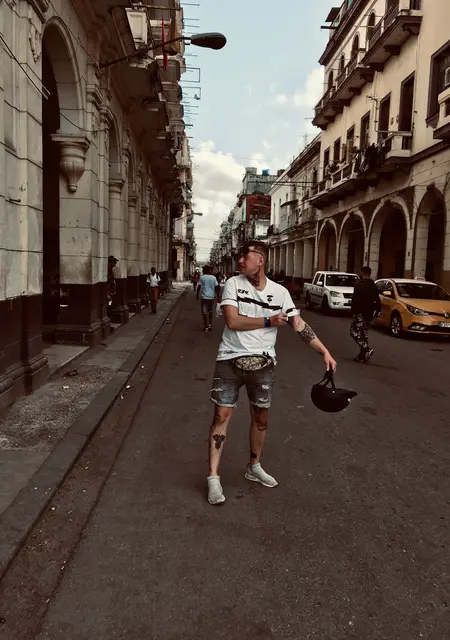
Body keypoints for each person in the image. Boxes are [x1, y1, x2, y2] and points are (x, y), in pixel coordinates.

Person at [206, 240, 337, 505]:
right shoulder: (233, 284)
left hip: (264, 363)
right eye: (239, 256)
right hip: (229, 359)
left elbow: (298, 324)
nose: (240, 261)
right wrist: (269, 320)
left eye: (245, 256)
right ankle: (213, 477)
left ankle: (254, 466)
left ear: (260, 260)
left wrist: (324, 351)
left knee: (261, 417)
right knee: (221, 415)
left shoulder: (280, 293)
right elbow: (232, 320)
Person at [350, 266, 381, 363]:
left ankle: (366, 348)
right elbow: (377, 298)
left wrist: (352, 311)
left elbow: (355, 299)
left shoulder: (359, 284)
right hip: (369, 313)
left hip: (359, 312)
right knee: (364, 333)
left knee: (353, 332)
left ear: (362, 272)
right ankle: (362, 356)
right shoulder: (373, 285)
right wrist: (377, 311)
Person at [196, 265, 220, 331]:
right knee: (210, 310)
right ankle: (210, 325)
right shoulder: (213, 278)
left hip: (204, 297)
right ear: (209, 270)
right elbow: (217, 287)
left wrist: (197, 295)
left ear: (204, 271)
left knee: (204, 312)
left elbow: (199, 287)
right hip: (211, 297)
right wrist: (218, 296)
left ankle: (206, 327)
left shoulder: (202, 277)